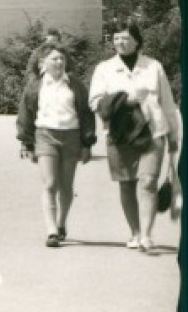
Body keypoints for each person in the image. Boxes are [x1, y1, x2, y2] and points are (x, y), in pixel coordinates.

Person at [88, 23, 181, 253]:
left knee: (148, 182)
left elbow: (168, 104)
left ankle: (147, 235)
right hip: (120, 134)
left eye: (126, 38)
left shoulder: (153, 67)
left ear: (137, 41)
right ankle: (135, 233)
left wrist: (174, 136)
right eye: (117, 38)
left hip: (152, 132)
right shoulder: (104, 69)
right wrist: (125, 99)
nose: (121, 42)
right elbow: (94, 102)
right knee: (127, 185)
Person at [16, 45, 95, 246]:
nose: (59, 62)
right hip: (45, 135)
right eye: (54, 59)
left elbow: (86, 114)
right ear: (43, 63)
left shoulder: (76, 85)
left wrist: (87, 143)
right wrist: (26, 141)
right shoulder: (35, 85)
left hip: (72, 136)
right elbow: (25, 113)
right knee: (50, 184)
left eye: (62, 59)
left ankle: (61, 224)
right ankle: (51, 230)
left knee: (66, 186)